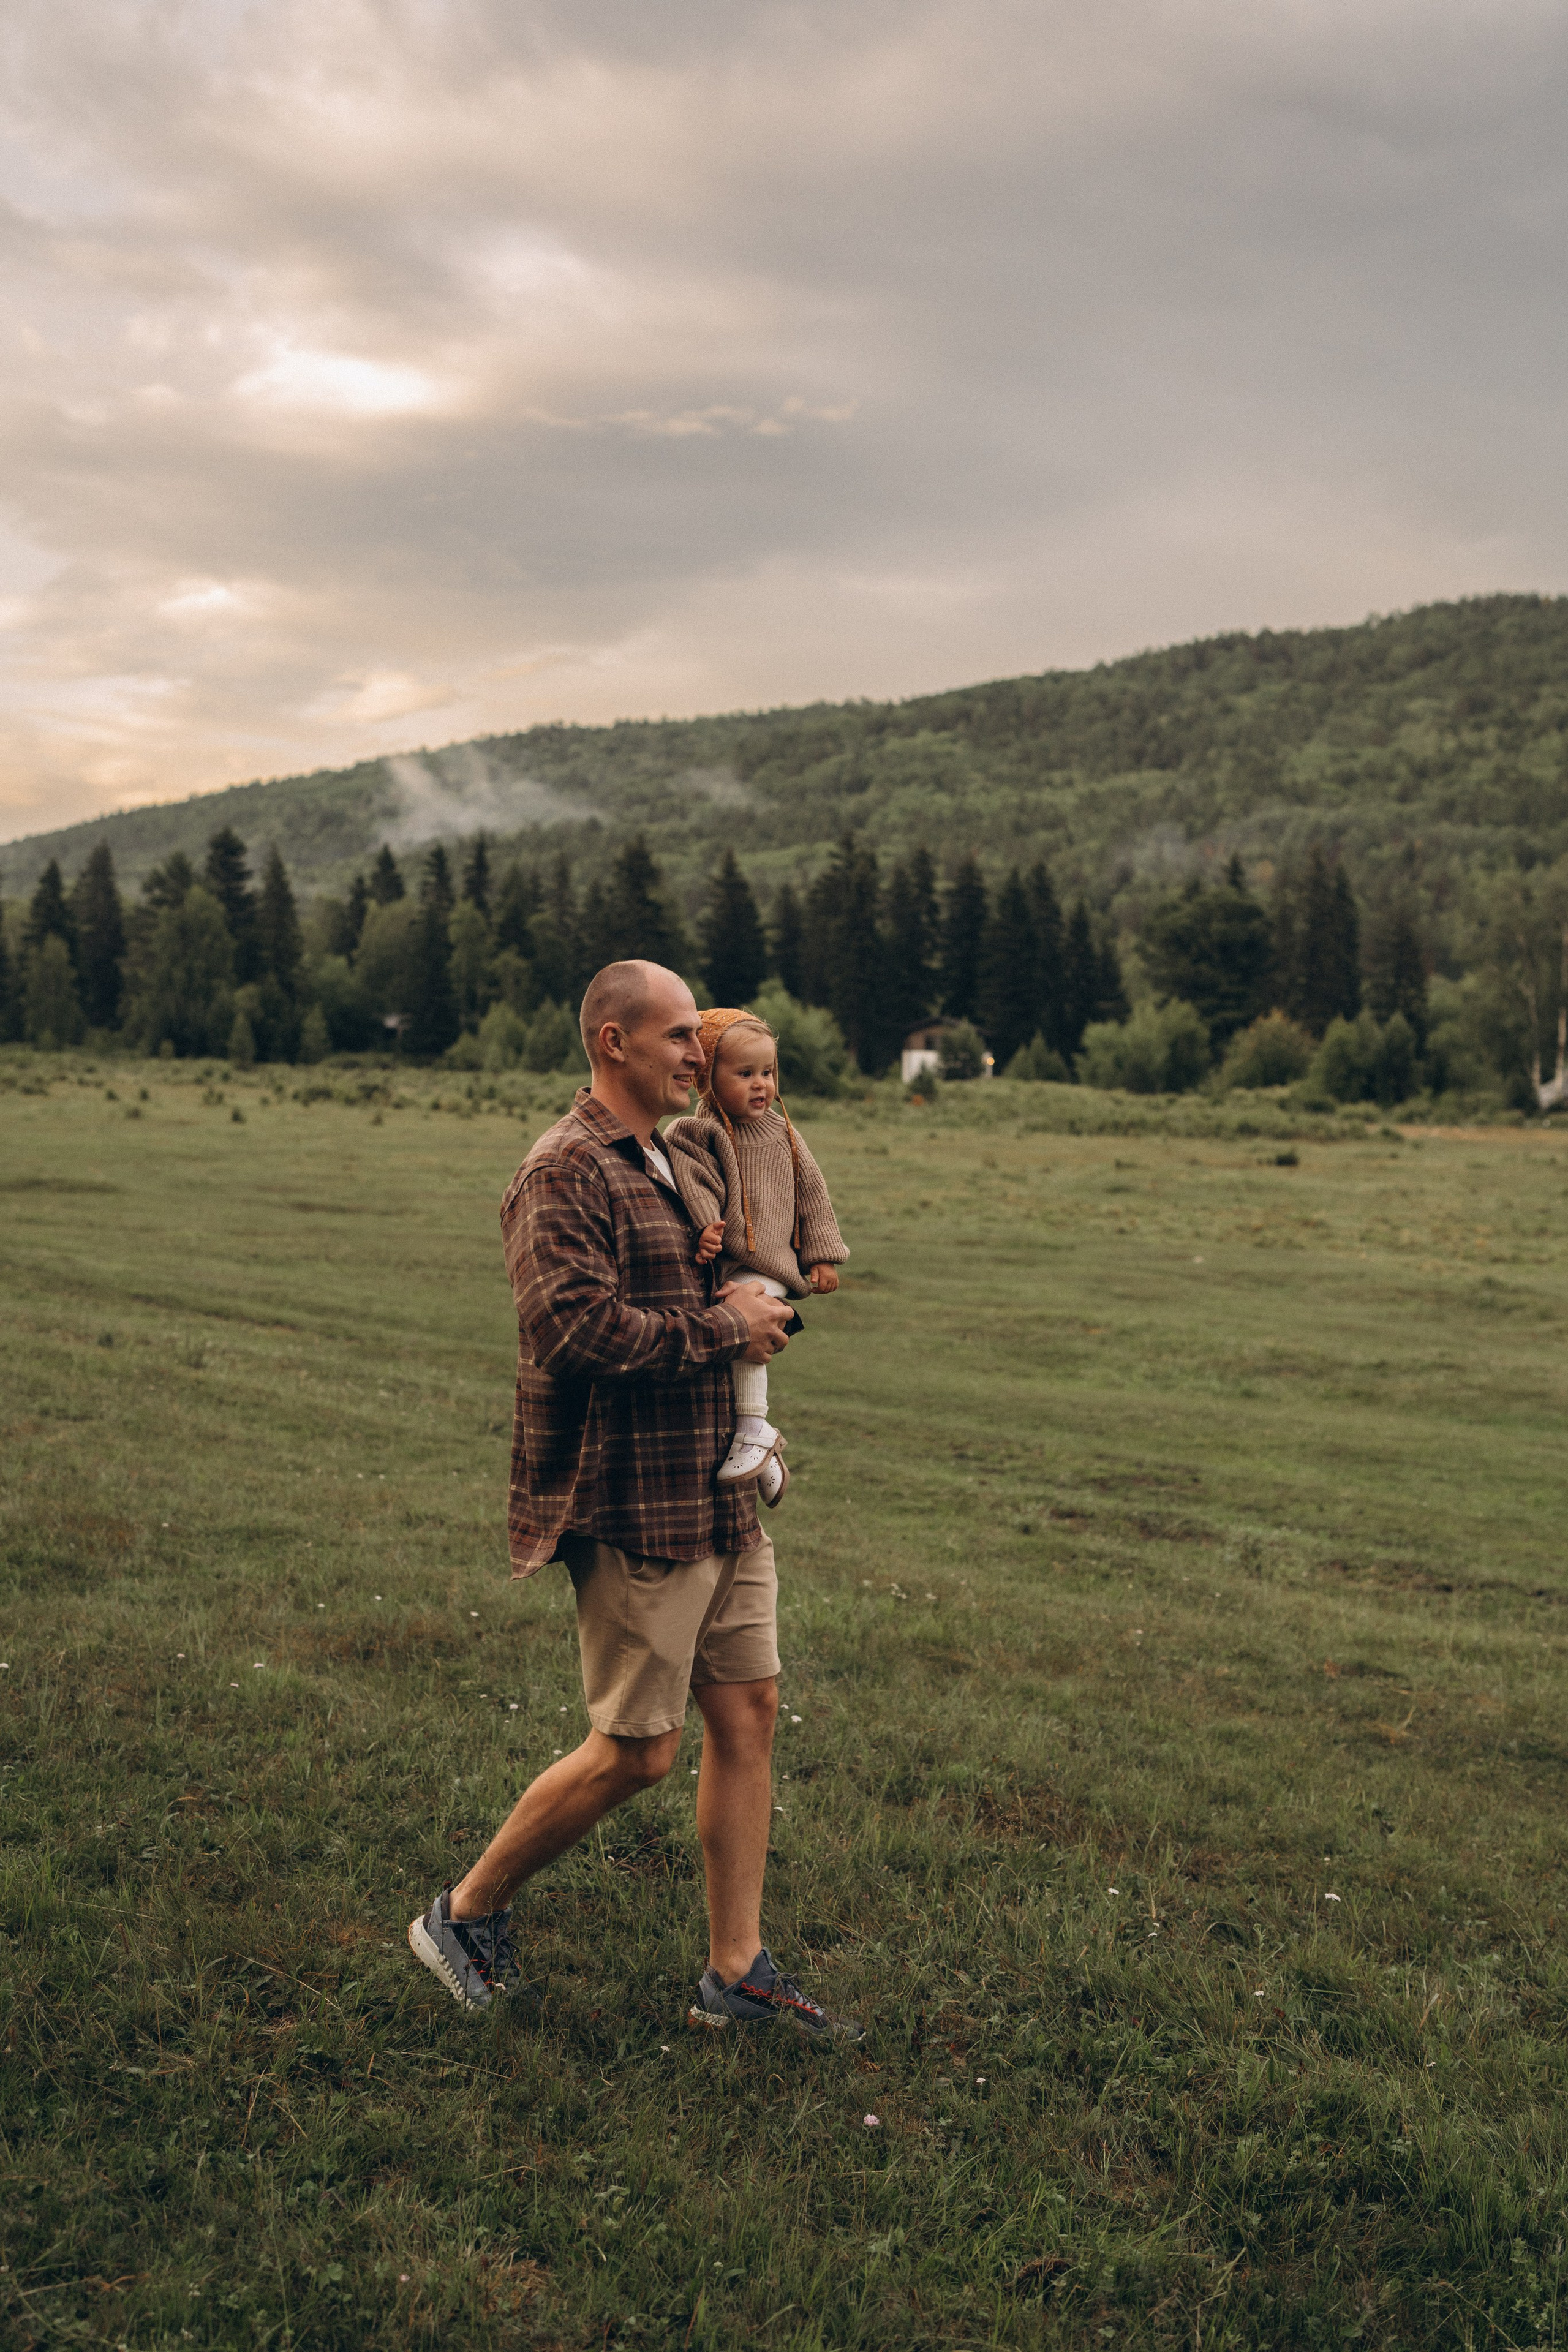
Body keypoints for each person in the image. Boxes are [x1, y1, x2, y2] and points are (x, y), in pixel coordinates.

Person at [407, 959, 862, 2040]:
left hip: (718, 1486)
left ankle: (736, 1973)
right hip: (634, 1501)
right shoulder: (563, 1172)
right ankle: (463, 1914)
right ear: (612, 1043)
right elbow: (570, 1335)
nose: (695, 1058)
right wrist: (727, 1330)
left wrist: (758, 1297)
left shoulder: (673, 1153)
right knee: (639, 1748)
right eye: (675, 1041)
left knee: (748, 1711)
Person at [663, 1007, 848, 1505]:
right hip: (728, 1257)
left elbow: (813, 1192)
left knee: (740, 1326)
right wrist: (706, 1225)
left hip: (770, 1265)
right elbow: (693, 1180)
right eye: (745, 1074)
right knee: (722, 1352)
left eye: (767, 1072)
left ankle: (753, 1433)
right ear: (706, 1078)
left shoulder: (785, 1134)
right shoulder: (698, 1131)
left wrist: (822, 1254)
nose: (761, 1085)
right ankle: (759, 1445)